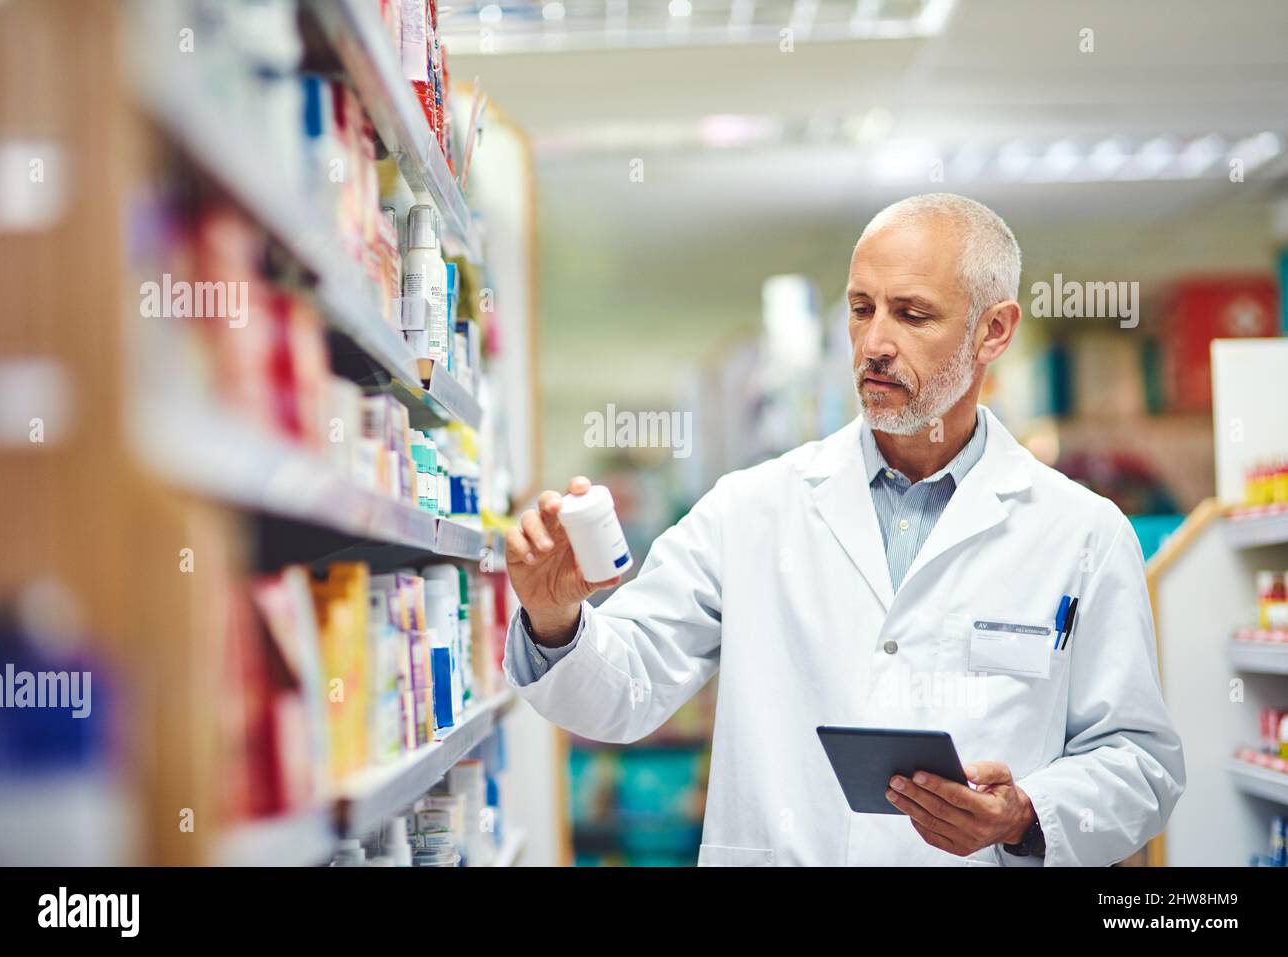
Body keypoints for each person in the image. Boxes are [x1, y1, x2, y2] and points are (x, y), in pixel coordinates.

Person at [502, 193, 1185, 866]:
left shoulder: (1082, 532)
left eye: (913, 314)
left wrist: (1024, 812)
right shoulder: (750, 509)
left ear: (994, 331)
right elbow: (622, 694)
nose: (876, 343)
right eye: (862, 310)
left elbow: (1140, 763)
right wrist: (554, 615)